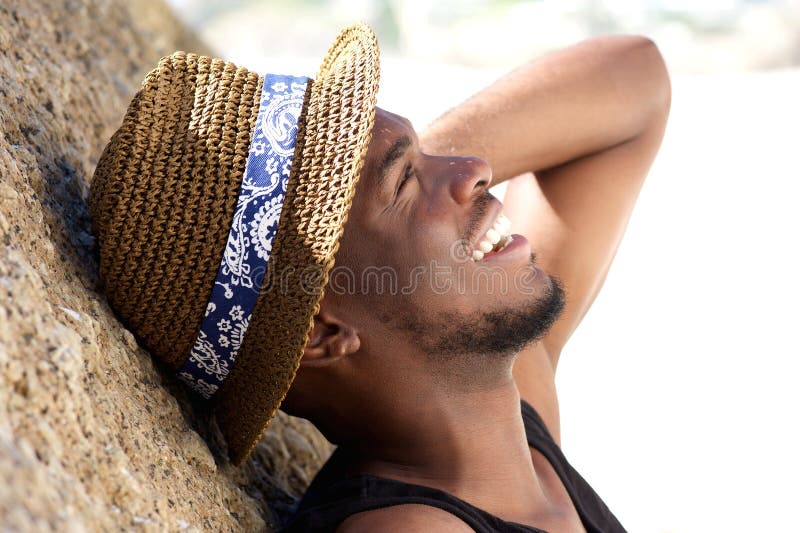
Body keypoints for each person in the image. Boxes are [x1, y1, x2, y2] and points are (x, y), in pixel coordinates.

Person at [90, 23, 669, 533]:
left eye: (427, 156)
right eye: (404, 184)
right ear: (318, 330)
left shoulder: (513, 421)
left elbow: (636, 75)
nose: (477, 169)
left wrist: (391, 184)